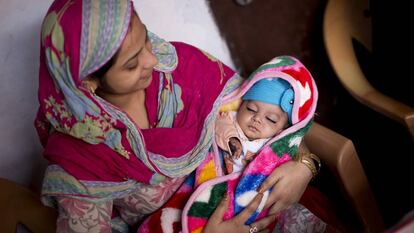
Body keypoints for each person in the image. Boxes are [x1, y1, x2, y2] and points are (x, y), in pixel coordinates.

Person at [35, 0, 322, 232]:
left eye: (145, 39)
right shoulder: (81, 165)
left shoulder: (185, 69)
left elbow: (275, 117)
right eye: (132, 64)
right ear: (87, 83)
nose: (153, 59)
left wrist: (304, 167)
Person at [215, 78, 294, 174]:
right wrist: (232, 139)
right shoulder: (231, 118)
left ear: (282, 129)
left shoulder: (274, 143)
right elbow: (218, 125)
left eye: (270, 119)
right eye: (251, 109)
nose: (257, 119)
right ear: (241, 105)